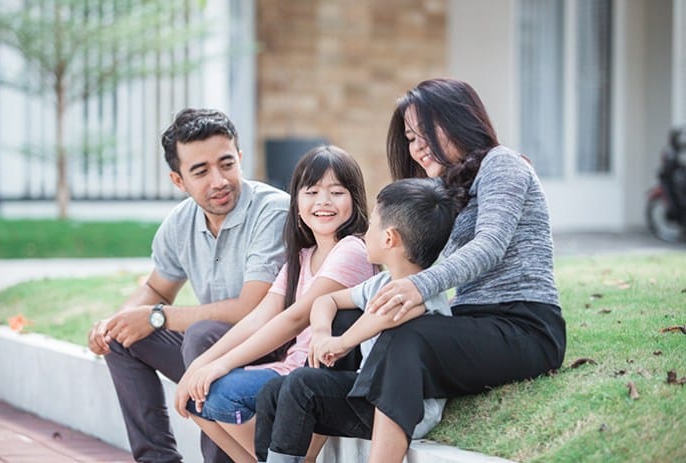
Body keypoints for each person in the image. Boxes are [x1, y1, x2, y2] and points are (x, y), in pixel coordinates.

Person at [259, 78, 567, 463]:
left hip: (525, 327)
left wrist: (418, 288)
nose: (417, 147)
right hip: (471, 324)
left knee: (408, 335)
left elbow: (489, 245)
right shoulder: (446, 187)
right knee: (345, 321)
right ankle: (319, 412)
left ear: (459, 121)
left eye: (425, 133)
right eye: (409, 137)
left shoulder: (502, 164)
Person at [87, 108, 290, 463]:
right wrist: (114, 323)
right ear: (178, 180)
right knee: (123, 338)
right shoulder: (181, 223)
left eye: (227, 164)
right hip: (213, 351)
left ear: (240, 158)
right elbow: (157, 288)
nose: (219, 180)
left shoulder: (271, 211)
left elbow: (251, 309)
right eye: (201, 171)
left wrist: (156, 317)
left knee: (201, 334)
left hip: (270, 350)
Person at [173, 145, 378, 462]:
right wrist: (199, 366)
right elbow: (259, 317)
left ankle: (296, 456)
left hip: (317, 378)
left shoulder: (352, 250)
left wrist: (222, 365)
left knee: (222, 395)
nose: (323, 202)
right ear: (296, 202)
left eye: (336, 192)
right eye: (311, 192)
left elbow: (296, 318)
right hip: (290, 368)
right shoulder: (301, 257)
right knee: (193, 398)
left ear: (354, 200)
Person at [254, 177, 457, 462]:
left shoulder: (422, 293)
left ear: (389, 238)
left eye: (372, 223)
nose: (365, 232)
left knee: (302, 385)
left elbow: (383, 317)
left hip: (401, 411)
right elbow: (328, 300)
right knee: (273, 392)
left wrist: (343, 342)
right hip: (369, 394)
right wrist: (323, 334)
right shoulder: (382, 282)